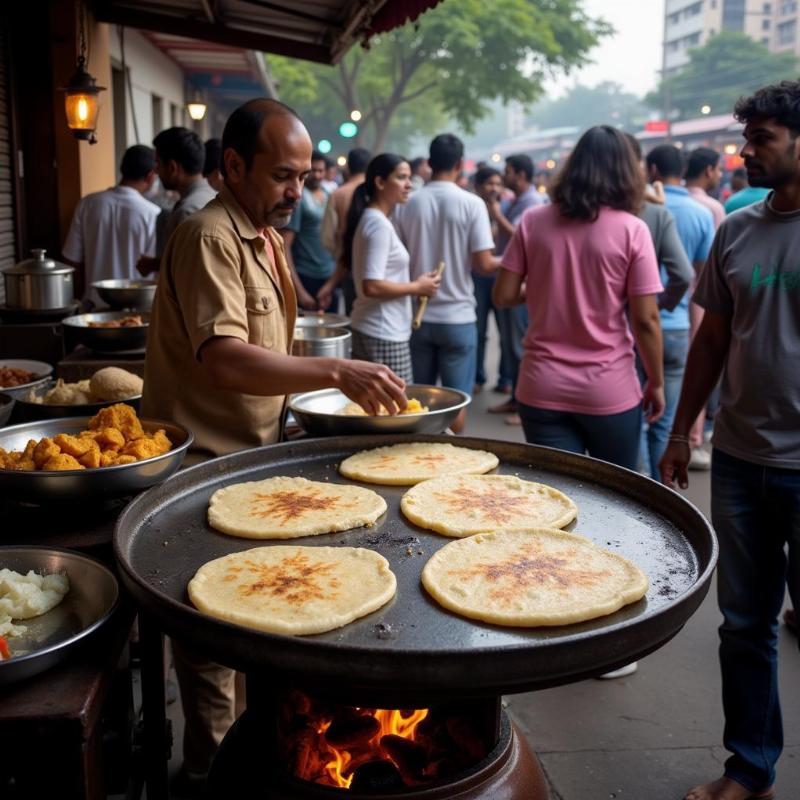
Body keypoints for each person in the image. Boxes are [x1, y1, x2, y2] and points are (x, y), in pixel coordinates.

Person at [141, 98, 407, 790]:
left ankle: (259, 770)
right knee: (212, 653)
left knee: (262, 630)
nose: (299, 191)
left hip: (256, 466)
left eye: (305, 175)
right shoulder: (208, 237)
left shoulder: (264, 236)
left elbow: (274, 343)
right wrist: (336, 370)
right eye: (285, 176)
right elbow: (226, 359)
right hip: (202, 472)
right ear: (232, 165)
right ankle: (208, 776)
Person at [659, 80, 800, 800]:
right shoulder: (735, 230)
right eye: (746, 139)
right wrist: (683, 432)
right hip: (742, 462)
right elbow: (712, 340)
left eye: (762, 139)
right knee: (744, 626)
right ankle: (750, 767)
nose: (744, 152)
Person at [493, 125, 665, 471]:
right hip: (609, 389)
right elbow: (645, 319)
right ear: (627, 171)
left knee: (558, 502)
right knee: (617, 499)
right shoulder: (632, 230)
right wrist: (657, 382)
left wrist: (545, 288)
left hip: (541, 387)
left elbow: (504, 295)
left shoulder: (533, 221)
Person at [395, 133, 497, 433]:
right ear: (459, 164)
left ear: (429, 163)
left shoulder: (407, 204)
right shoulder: (472, 204)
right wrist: (515, 260)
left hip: (417, 316)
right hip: (458, 317)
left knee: (419, 404)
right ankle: (453, 463)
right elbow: (483, 264)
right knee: (457, 403)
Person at [643, 144, 715, 478]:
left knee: (634, 421)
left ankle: (637, 490)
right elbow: (698, 276)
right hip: (676, 325)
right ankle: (660, 493)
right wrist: (671, 302)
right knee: (664, 422)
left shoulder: (637, 209)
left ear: (653, 169)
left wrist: (652, 303)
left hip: (637, 326)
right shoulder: (702, 213)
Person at [343, 154, 441, 381]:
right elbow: (372, 286)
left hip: (375, 328)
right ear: (380, 182)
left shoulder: (375, 220)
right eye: (402, 178)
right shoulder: (378, 225)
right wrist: (418, 287)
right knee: (394, 408)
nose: (409, 185)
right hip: (382, 332)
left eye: (409, 178)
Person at [487, 154, 546, 425]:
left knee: (519, 343)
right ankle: (515, 399)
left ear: (520, 174)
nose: (504, 176)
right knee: (509, 343)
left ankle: (523, 407)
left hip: (522, 282)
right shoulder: (517, 201)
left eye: (508, 171)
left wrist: (497, 214)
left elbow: (520, 239)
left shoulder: (533, 204)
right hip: (510, 279)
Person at [62, 144, 159, 306]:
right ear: (150, 176)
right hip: (138, 310)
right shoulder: (153, 214)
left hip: (94, 309)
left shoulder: (87, 204)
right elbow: (154, 267)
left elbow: (71, 261)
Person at [684, 147, 727, 466]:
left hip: (658, 304)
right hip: (698, 301)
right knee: (698, 361)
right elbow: (710, 267)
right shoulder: (711, 209)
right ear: (709, 170)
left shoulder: (650, 207)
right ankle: (694, 439)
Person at [138, 127, 217, 276]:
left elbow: (187, 272)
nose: (155, 171)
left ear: (173, 167)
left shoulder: (187, 211)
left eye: (158, 164)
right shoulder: (212, 196)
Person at [472, 166, 513, 393]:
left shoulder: (506, 206)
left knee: (504, 331)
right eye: (489, 183)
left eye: (498, 183)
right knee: (478, 330)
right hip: (478, 276)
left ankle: (505, 379)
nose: (494, 188)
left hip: (500, 276)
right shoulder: (472, 207)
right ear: (478, 186)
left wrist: (498, 214)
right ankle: (477, 377)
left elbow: (516, 234)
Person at [318, 147, 371, 314]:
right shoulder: (378, 192)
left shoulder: (338, 194)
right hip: (376, 272)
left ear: (348, 167)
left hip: (347, 268)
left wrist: (338, 254)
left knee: (352, 318)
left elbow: (327, 238)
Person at [282, 150, 336, 311]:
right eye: (314, 171)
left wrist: (332, 283)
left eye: (321, 171)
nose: (318, 175)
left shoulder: (329, 194)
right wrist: (299, 291)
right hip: (305, 276)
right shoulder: (299, 198)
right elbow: (285, 246)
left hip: (328, 276)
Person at [685, 147, 725, 228]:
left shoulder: (667, 202)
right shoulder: (714, 208)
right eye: (719, 169)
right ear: (709, 170)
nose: (720, 175)